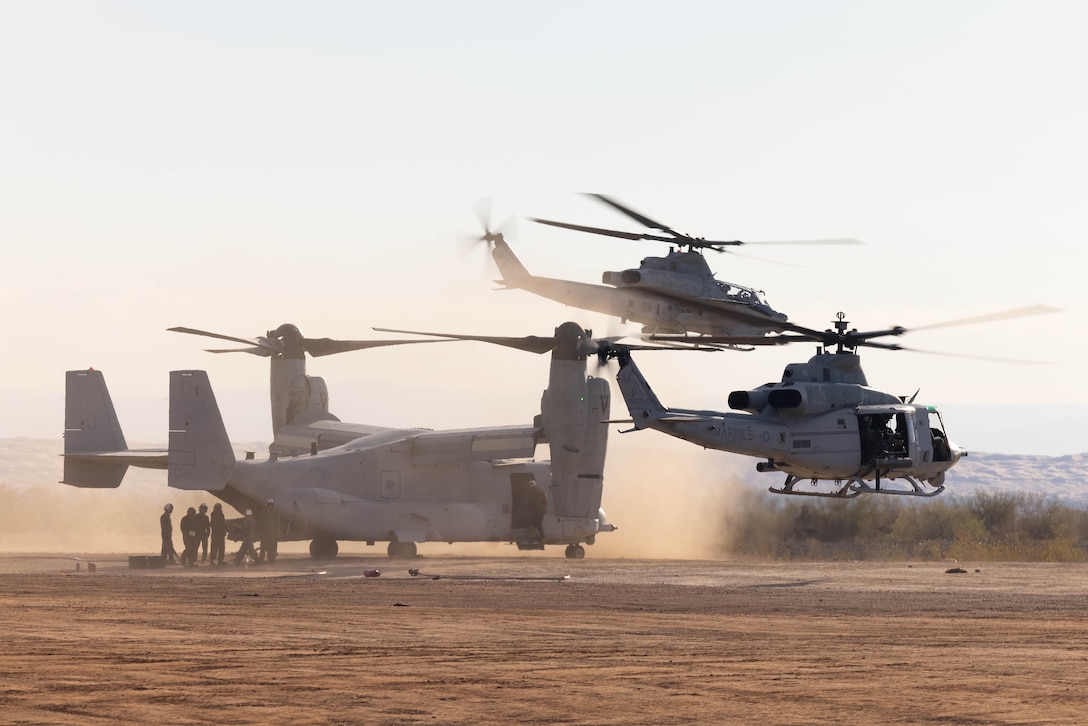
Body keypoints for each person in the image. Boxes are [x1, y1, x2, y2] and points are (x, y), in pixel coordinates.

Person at [259, 498, 279, 564]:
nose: (270, 506)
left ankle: (271, 560)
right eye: (269, 505)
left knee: (271, 548)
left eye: (271, 505)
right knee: (263, 548)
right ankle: (261, 560)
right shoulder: (263, 513)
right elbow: (261, 523)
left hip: (271, 534)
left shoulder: (274, 513)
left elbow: (277, 523)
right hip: (265, 533)